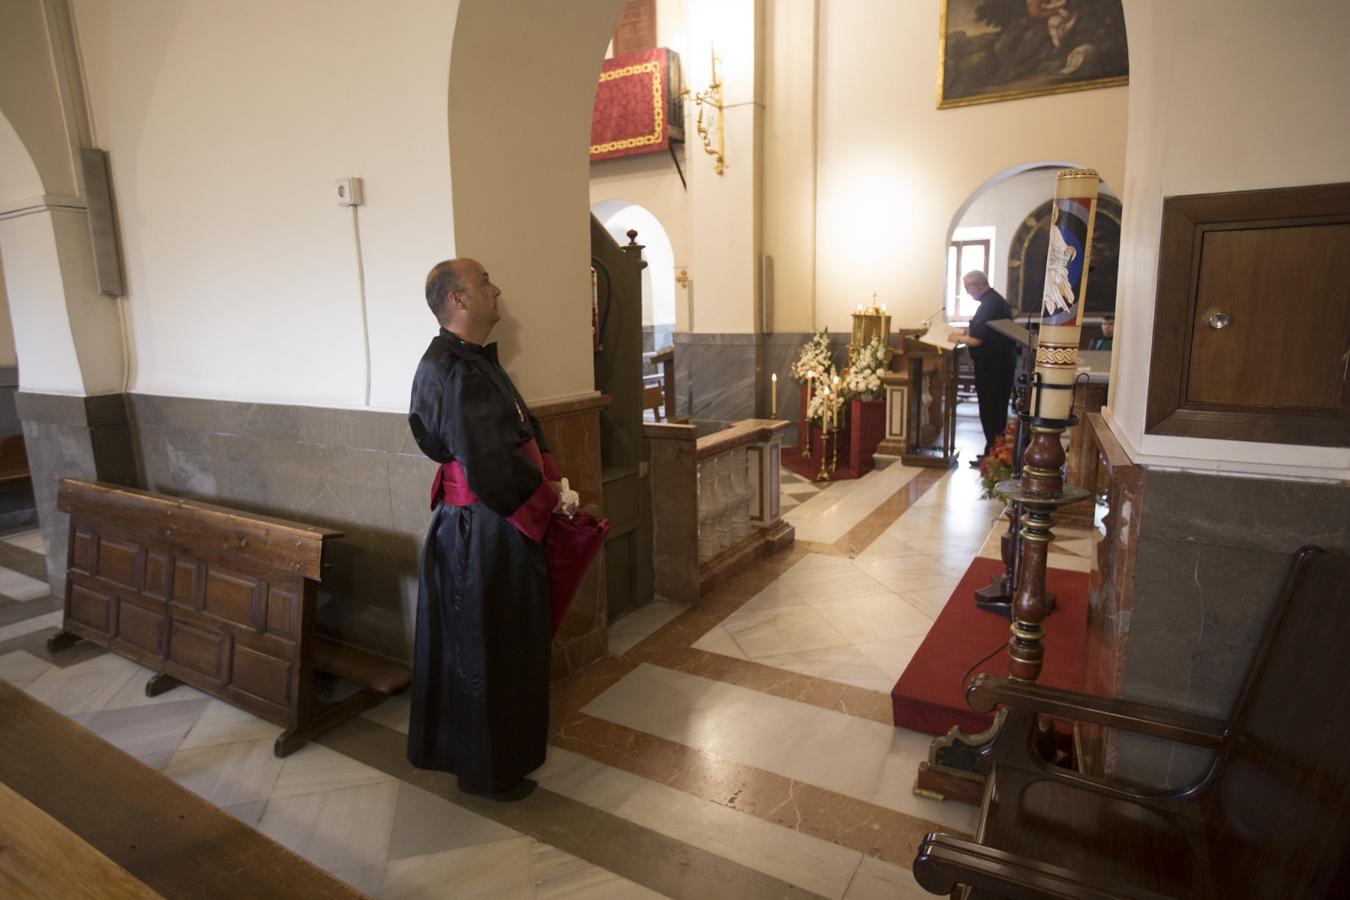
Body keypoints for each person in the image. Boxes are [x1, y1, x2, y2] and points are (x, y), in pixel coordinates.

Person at [407, 257, 578, 799]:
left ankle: (480, 756)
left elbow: (515, 436)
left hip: (480, 526)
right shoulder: (455, 368)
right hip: (483, 533)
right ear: (458, 300)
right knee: (488, 650)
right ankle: (488, 769)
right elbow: (492, 466)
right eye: (484, 282)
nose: (496, 289)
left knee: (488, 646)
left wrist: (550, 483)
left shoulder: (470, 361)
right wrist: (548, 500)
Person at [949, 271, 1017, 468]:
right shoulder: (994, 302)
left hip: (993, 367)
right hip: (999, 364)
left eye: (967, 288)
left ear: (978, 285)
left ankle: (994, 455)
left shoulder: (990, 305)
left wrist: (957, 338)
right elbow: (983, 331)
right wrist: (965, 333)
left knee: (991, 410)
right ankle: (994, 452)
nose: (967, 292)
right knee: (996, 411)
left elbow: (979, 340)